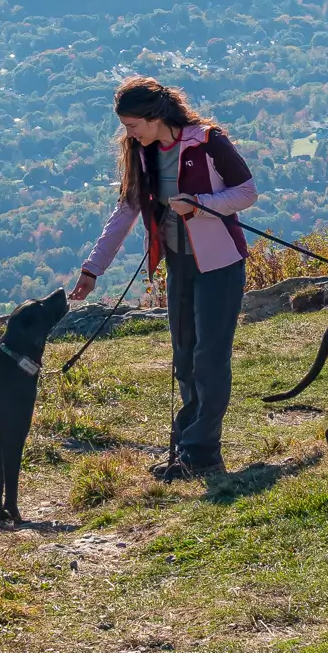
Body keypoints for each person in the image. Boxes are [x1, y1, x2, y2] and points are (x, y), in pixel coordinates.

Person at [70, 77, 257, 479]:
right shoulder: (143, 153)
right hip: (179, 264)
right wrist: (92, 269)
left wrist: (200, 205)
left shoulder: (208, 142)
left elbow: (246, 192)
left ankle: (201, 451)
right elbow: (126, 211)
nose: (128, 133)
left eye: (132, 124)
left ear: (155, 117)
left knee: (209, 357)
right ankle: (190, 445)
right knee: (185, 357)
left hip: (220, 264)